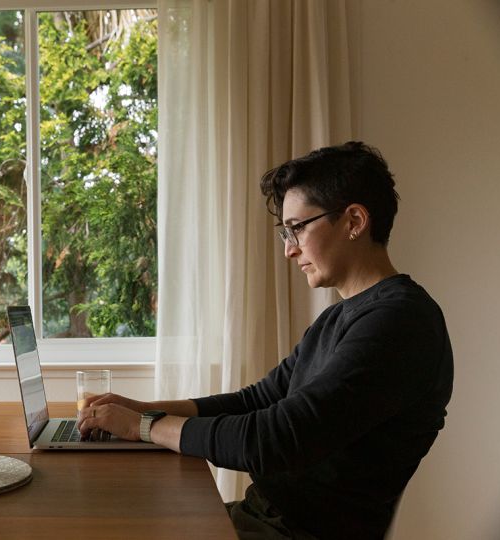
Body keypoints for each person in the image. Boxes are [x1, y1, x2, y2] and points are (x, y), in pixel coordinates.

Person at [77, 141, 454, 540]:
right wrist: (142, 409)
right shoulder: (342, 317)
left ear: (354, 221)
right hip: (263, 518)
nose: (290, 249)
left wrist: (143, 427)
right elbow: (258, 400)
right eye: (285, 233)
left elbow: (275, 439)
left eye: (298, 228)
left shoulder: (400, 322)